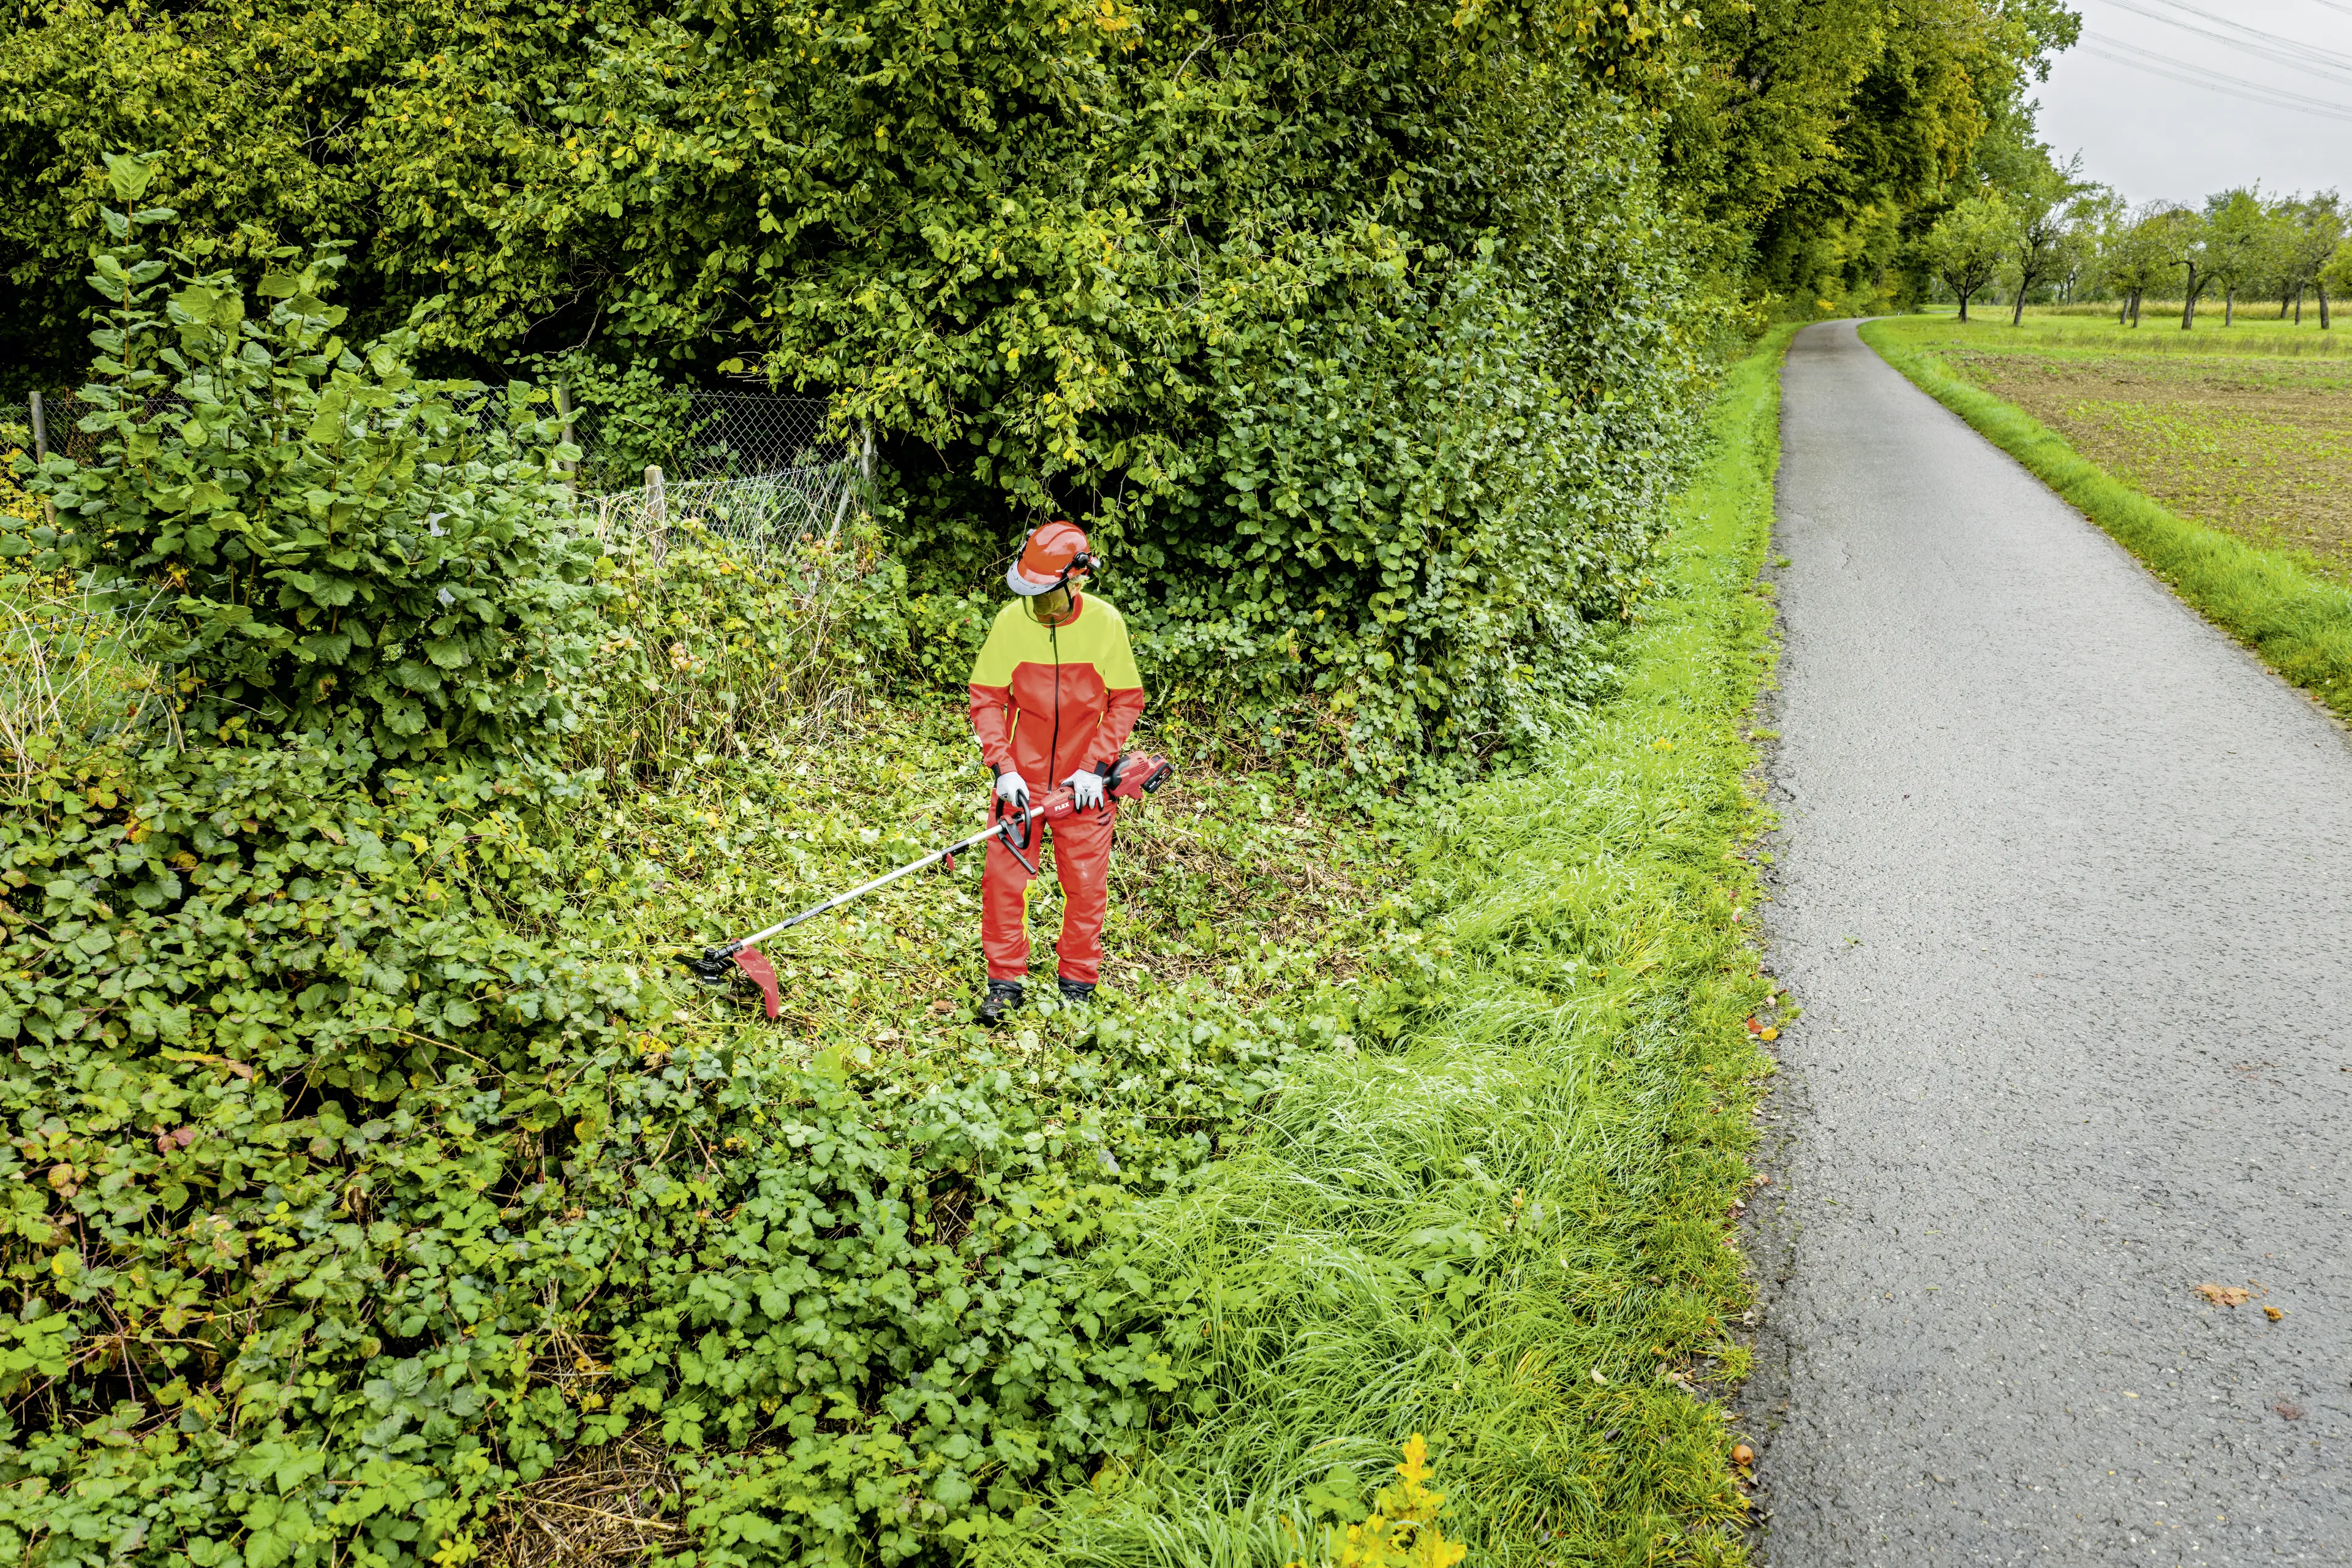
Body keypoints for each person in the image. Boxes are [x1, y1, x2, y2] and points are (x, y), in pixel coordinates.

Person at [967, 521, 1145, 1022]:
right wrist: (1003, 767)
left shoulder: (1106, 624)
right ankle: (1004, 982)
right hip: (1020, 782)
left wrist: (1094, 768)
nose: (1039, 611)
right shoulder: (1010, 622)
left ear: (1078, 580)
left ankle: (1077, 984)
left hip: (1083, 787)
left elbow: (1127, 700)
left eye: (1047, 599)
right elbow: (987, 698)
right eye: (1031, 598)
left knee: (1085, 885)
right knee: (1003, 883)